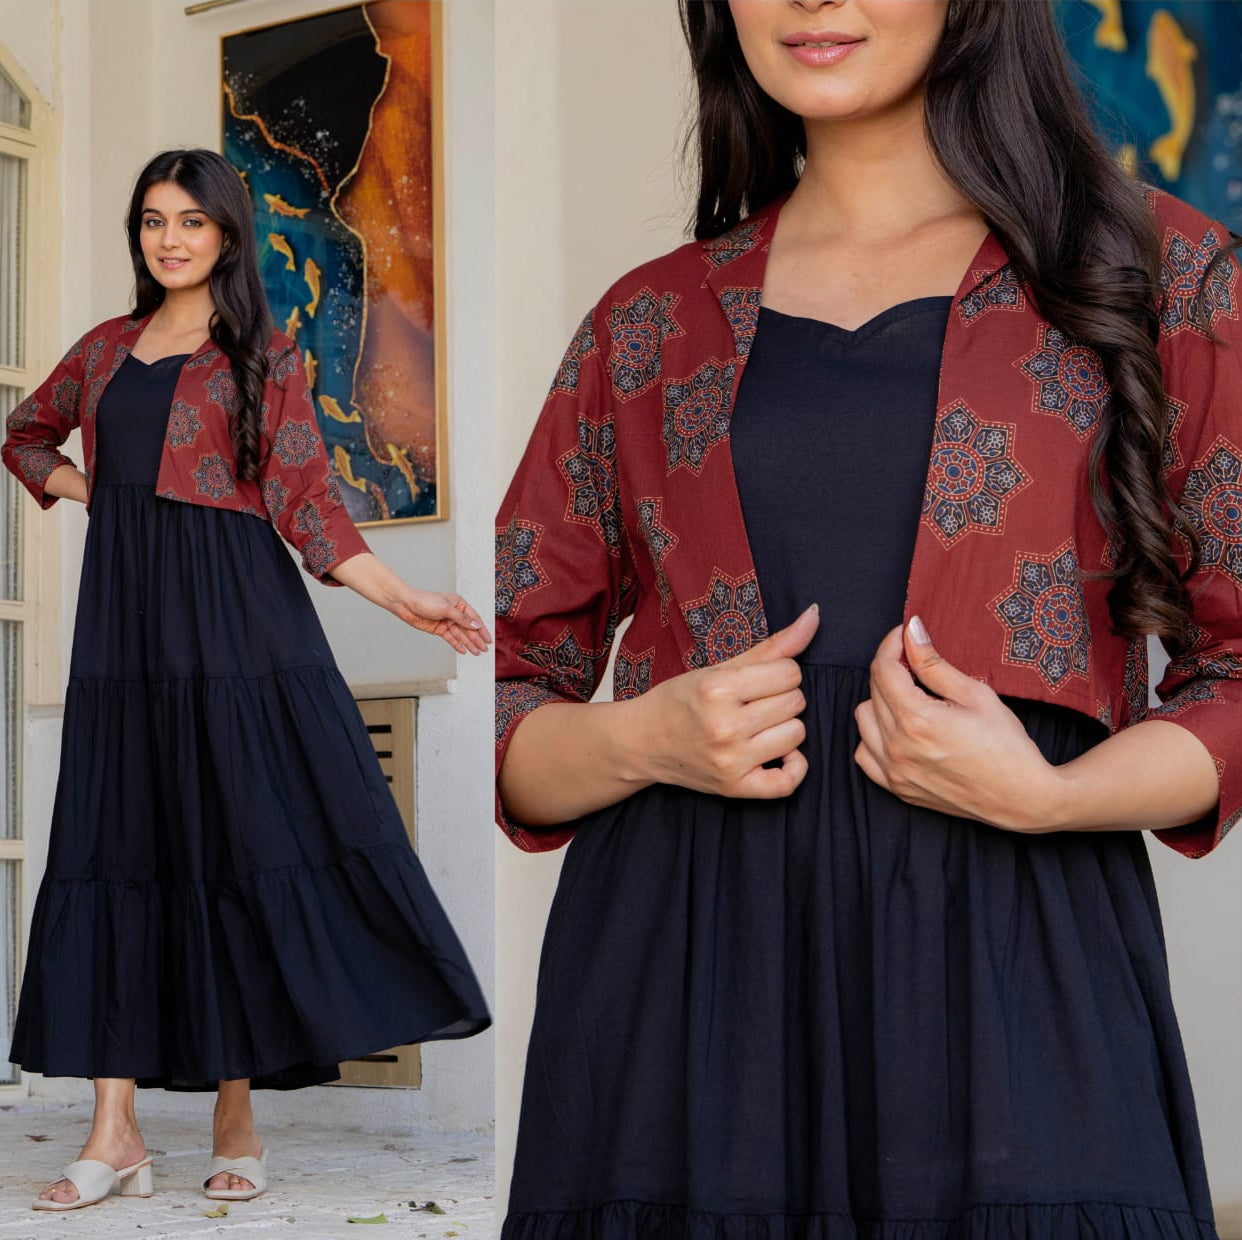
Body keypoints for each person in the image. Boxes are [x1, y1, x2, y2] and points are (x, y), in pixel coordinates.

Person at [494, 2, 1237, 1236]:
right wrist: (643, 739)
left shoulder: (1159, 274)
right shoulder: (646, 323)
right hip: (684, 1004)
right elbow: (511, 688)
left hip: (1020, 980)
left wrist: (1053, 795)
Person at [4, 148, 492, 1211]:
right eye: (150, 221)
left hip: (237, 626)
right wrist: (103, 494)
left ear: (225, 233)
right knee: (111, 844)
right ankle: (114, 1128)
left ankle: (236, 1114)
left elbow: (307, 505)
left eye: (190, 220)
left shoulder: (260, 355)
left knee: (238, 841)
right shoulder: (102, 352)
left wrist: (407, 600)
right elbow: (25, 434)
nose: (169, 238)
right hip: (124, 634)